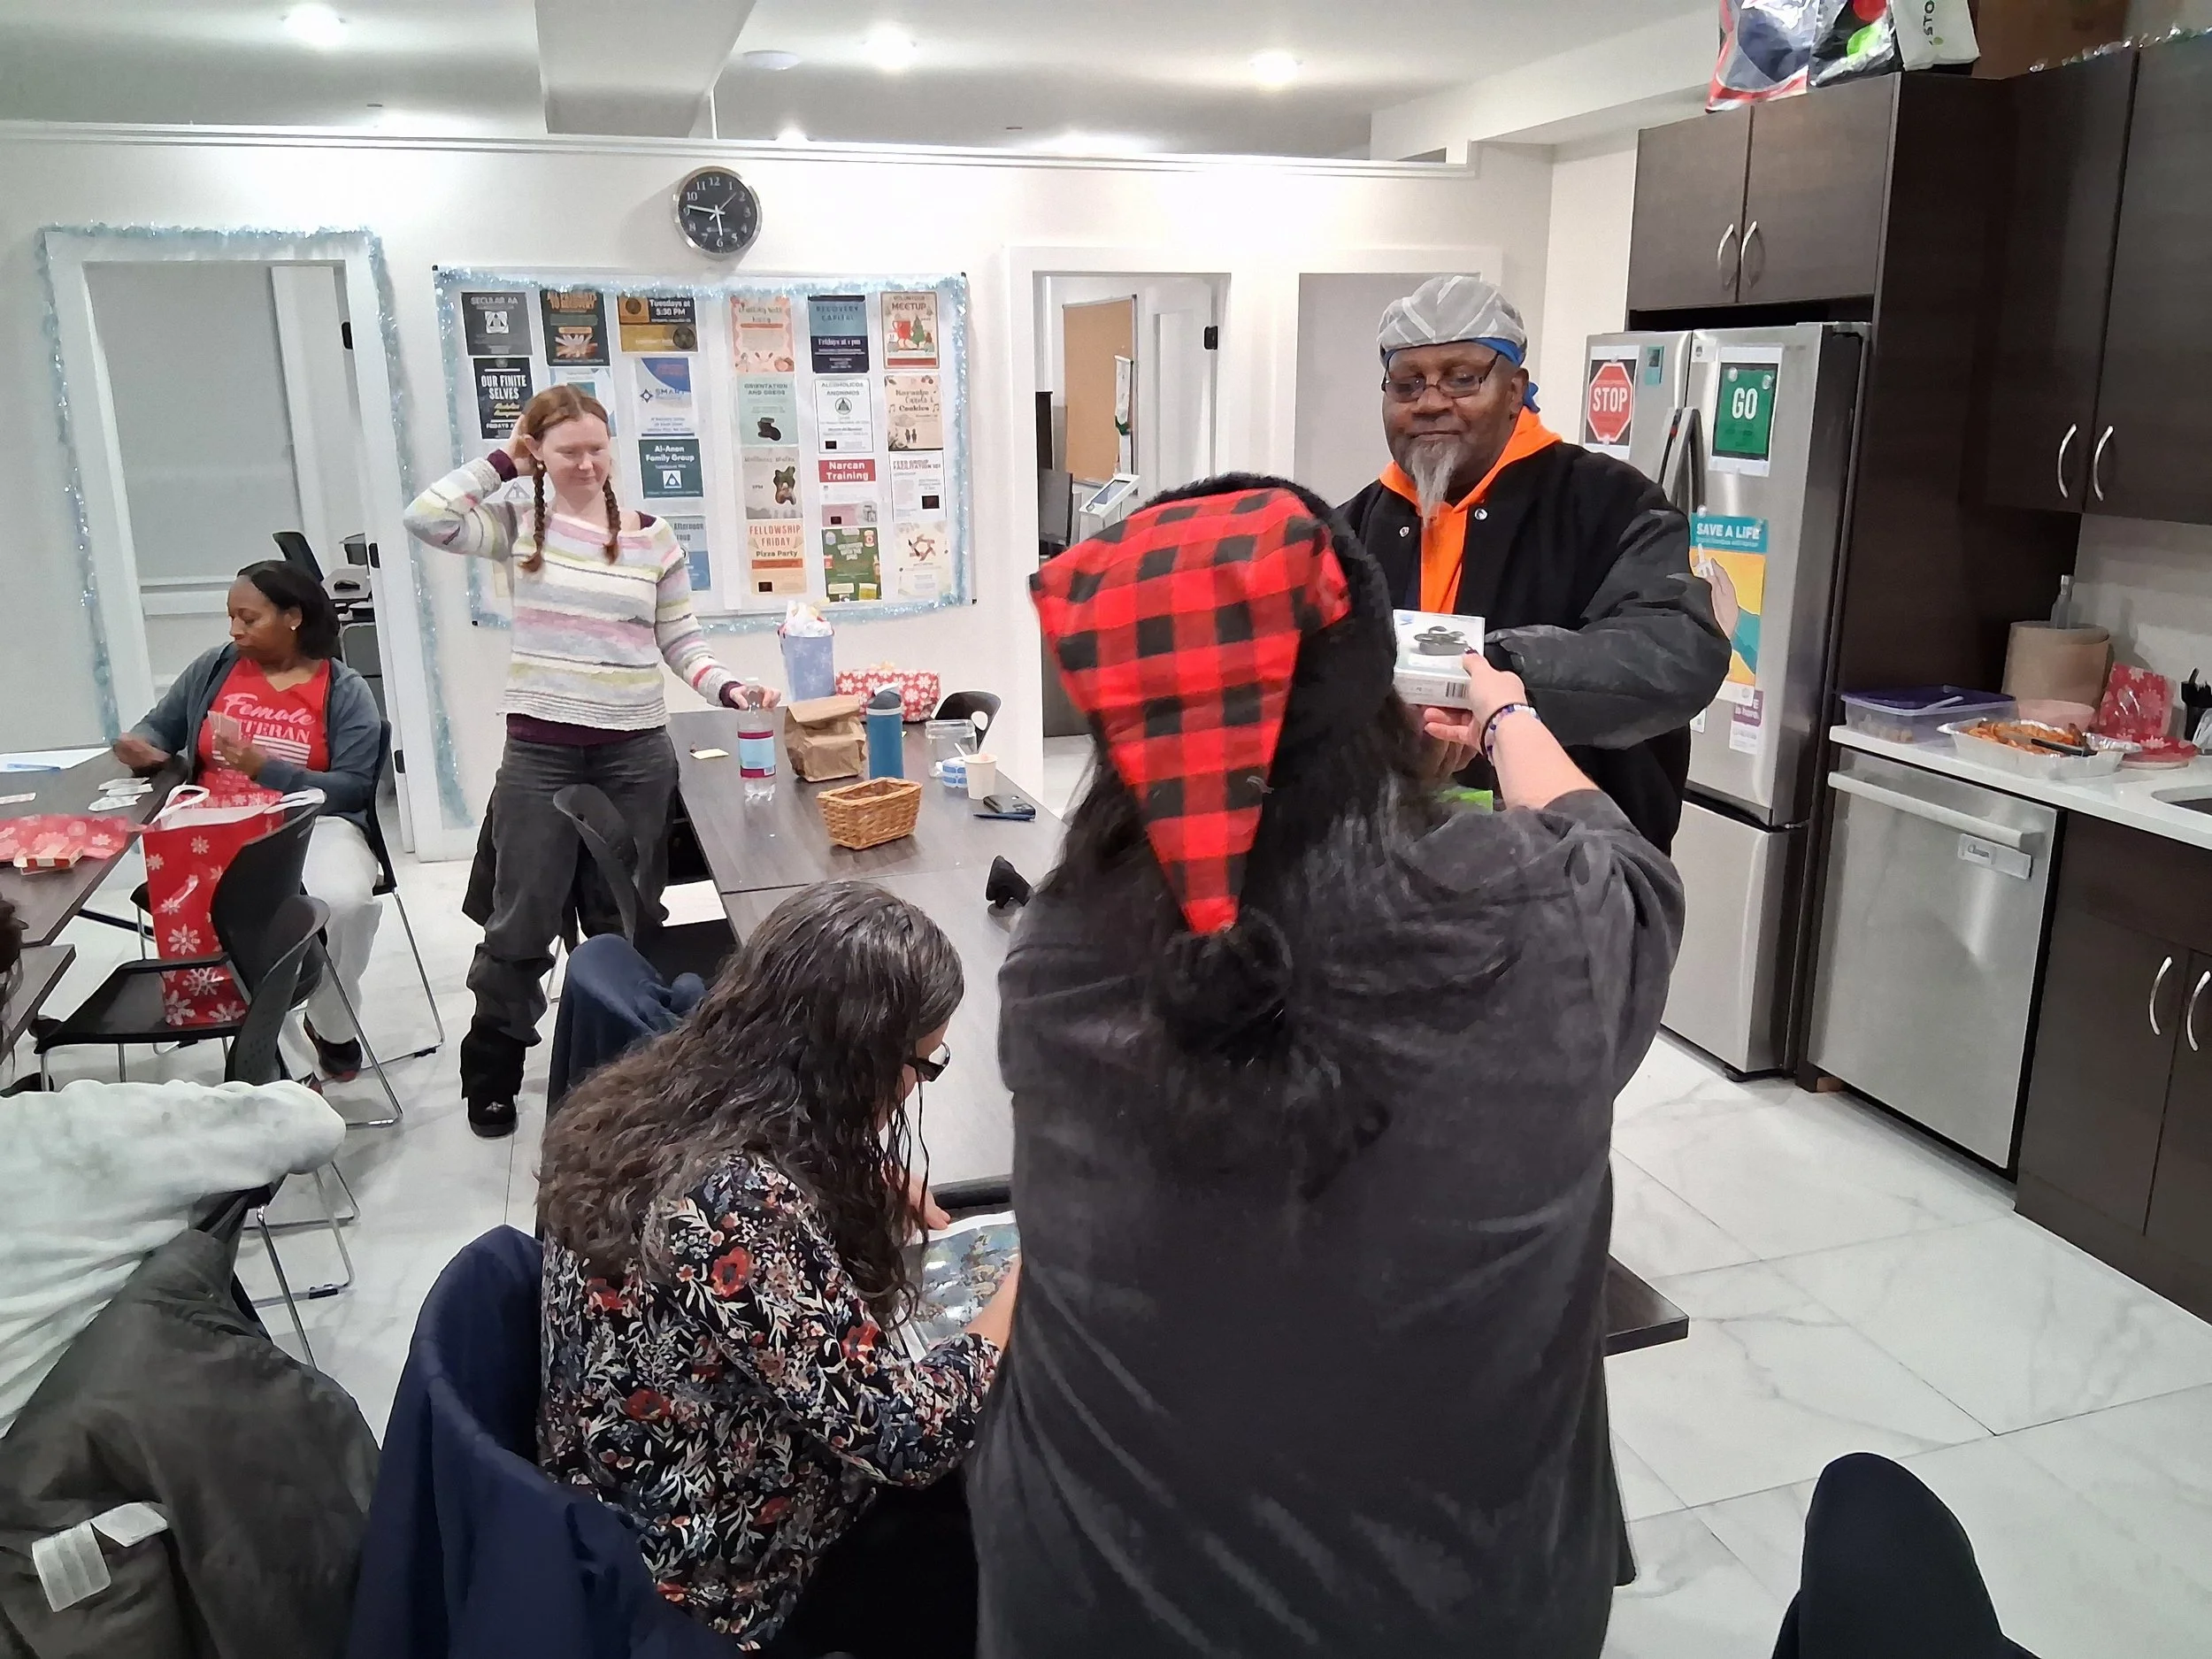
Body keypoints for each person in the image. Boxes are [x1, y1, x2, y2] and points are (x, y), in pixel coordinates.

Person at [979, 475, 1684, 1657]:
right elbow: (1628, 866)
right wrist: (1505, 715)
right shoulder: (1536, 917)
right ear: (1375, 686)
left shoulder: (1058, 956)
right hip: (1458, 1605)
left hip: (1089, 1596)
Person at [534, 880, 1018, 1657]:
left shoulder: (648, 1092)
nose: (910, 1088)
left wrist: (843, 1175)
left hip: (626, 1494)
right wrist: (1014, 1299)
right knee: (999, 1514)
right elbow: (902, 1440)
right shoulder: (737, 1205)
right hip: (714, 1572)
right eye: (919, 1065)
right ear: (855, 1062)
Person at [403, 386, 780, 1136]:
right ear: (538, 452)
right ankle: (494, 1072)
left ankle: (623, 1068)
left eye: (597, 448)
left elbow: (681, 644)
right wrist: (505, 462)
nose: (586, 463)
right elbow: (428, 517)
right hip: (541, 752)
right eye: (568, 450)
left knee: (628, 917)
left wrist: (729, 684)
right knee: (522, 917)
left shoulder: (653, 538)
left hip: (635, 750)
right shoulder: (520, 522)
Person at [1338, 274, 1730, 850]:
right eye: (1407, 383)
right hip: (1393, 884)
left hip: (1568, 883)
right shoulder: (1349, 530)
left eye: (1462, 378)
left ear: (1515, 389)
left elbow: (1674, 650)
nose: (1430, 402)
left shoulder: (1609, 503)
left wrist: (1491, 678)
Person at [112, 558, 385, 1079]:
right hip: (218, 827)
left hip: (312, 822)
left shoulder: (342, 689)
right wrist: (141, 747)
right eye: (231, 618)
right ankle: (289, 1072)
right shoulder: (215, 668)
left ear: (293, 617)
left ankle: (333, 1023)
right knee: (246, 923)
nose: (234, 630)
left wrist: (269, 770)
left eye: (248, 618)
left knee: (347, 904)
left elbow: (354, 786)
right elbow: (158, 727)